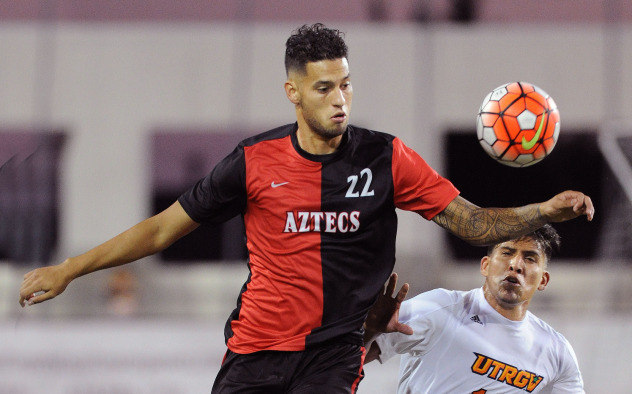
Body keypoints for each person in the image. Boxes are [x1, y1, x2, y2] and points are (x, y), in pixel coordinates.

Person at [18, 23, 593, 393]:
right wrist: (69, 269)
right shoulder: (253, 162)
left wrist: (541, 209)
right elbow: (162, 229)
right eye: (323, 89)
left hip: (334, 356)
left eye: (345, 85)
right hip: (255, 350)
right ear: (293, 92)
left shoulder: (387, 157)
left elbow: (470, 222)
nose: (339, 100)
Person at [364, 225, 585, 393]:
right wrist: (368, 331)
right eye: (507, 252)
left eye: (529, 258)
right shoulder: (440, 308)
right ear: (486, 266)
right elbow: (348, 361)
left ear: (543, 280)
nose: (516, 265)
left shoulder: (556, 351)